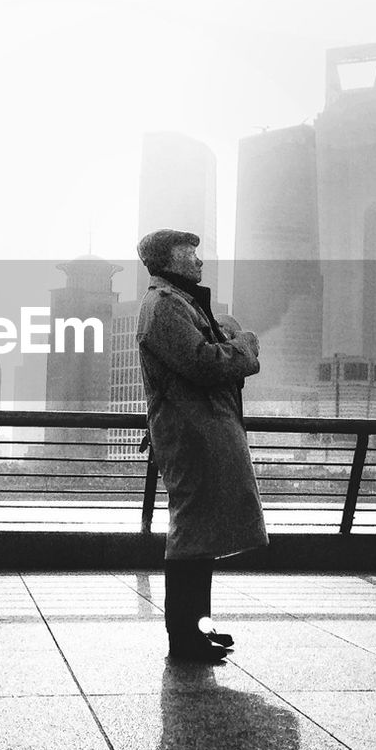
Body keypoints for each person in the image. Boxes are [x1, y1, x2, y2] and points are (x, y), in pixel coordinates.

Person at [136, 228, 268, 662]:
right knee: (192, 535)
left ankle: (200, 627)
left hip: (199, 429)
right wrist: (245, 344)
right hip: (194, 433)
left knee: (202, 535)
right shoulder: (165, 307)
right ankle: (186, 639)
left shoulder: (179, 303)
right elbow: (202, 364)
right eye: (188, 252)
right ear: (167, 260)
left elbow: (173, 376)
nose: (198, 260)